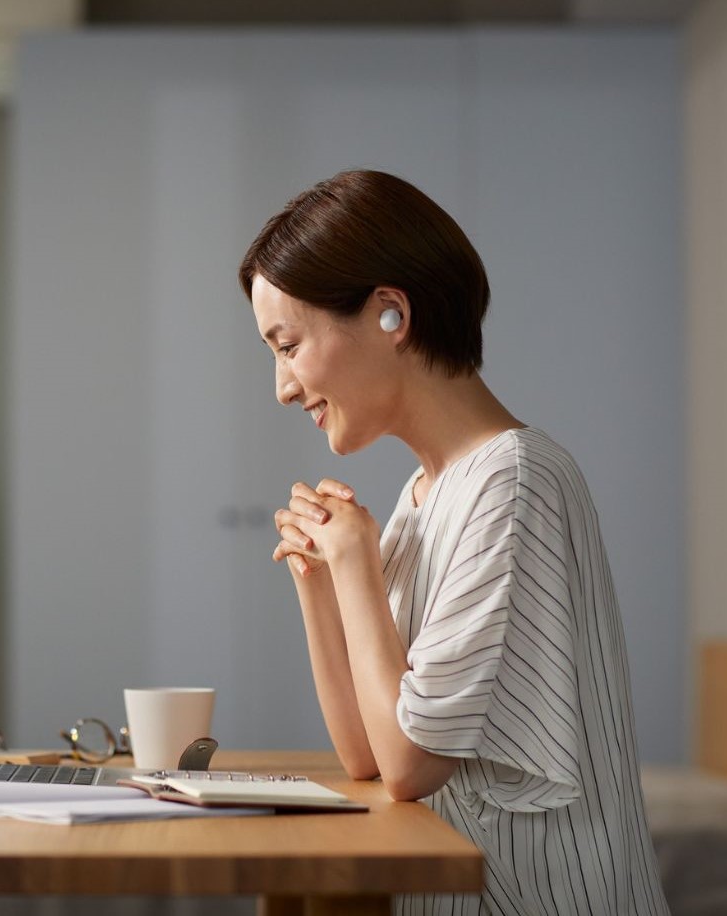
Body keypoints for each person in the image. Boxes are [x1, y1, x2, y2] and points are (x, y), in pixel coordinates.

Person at [239, 170, 668, 915]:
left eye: (288, 344)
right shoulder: (423, 493)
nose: (282, 386)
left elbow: (407, 765)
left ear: (389, 315)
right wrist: (321, 580)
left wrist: (356, 568)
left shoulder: (514, 480)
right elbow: (366, 754)